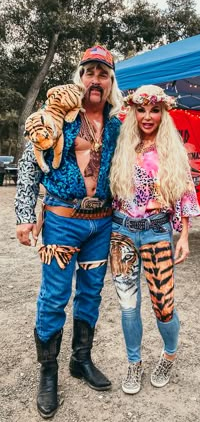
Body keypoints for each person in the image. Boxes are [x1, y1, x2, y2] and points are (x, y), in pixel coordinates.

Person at [15, 45, 122, 418]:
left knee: (91, 294)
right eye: (90, 72)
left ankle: (81, 360)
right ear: (81, 77)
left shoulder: (116, 125)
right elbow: (30, 166)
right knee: (54, 295)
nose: (96, 80)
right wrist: (24, 214)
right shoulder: (58, 117)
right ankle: (48, 372)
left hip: (101, 221)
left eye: (103, 74)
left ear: (111, 82)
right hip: (62, 219)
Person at [109, 84, 200, 395]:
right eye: (141, 109)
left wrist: (184, 235)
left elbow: (185, 192)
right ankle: (134, 363)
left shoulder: (170, 150)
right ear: (133, 112)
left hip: (156, 232)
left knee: (164, 306)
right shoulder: (121, 146)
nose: (148, 116)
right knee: (128, 306)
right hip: (121, 233)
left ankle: (170, 353)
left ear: (163, 113)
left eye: (154, 110)